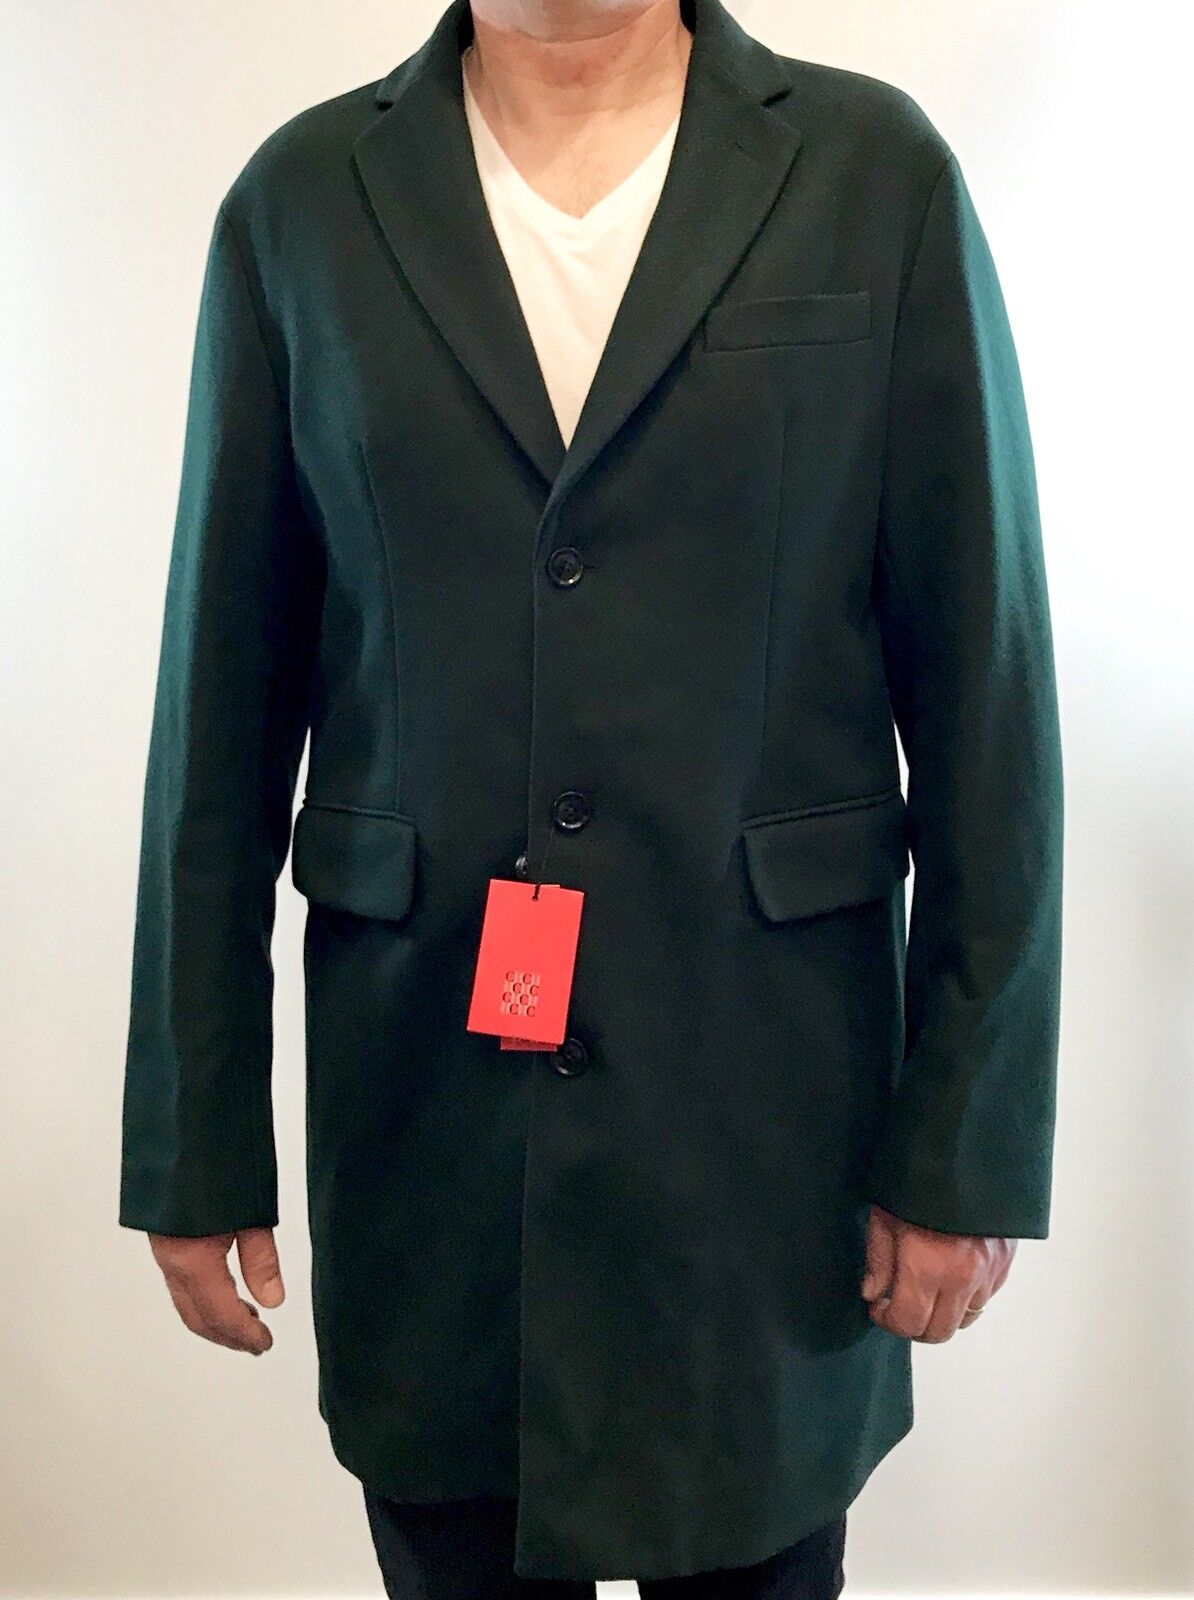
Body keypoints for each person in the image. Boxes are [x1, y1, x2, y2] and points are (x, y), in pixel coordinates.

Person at [117, 0, 1064, 1594]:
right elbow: (215, 708)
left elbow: (987, 693)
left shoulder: (868, 173)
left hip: (766, 1114)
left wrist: (966, 1142)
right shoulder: (302, 203)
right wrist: (192, 1136)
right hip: (429, 1109)